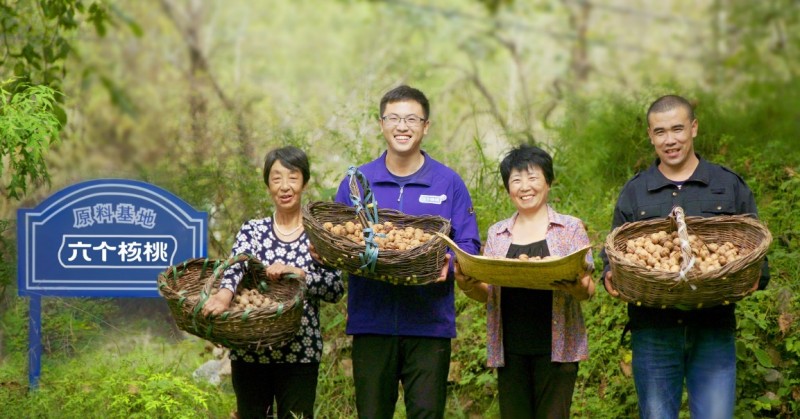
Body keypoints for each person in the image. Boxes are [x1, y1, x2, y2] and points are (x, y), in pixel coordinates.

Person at [600, 95, 770, 419]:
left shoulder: (726, 184)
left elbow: (756, 255)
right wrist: (611, 276)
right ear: (650, 136)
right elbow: (613, 256)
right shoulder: (635, 192)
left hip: (714, 328)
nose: (670, 140)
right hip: (653, 331)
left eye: (678, 129)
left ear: (693, 128)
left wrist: (752, 277)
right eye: (660, 132)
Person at [333, 85, 481, 419]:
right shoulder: (358, 183)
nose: (403, 126)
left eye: (412, 119)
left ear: (426, 126)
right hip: (372, 322)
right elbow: (337, 237)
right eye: (395, 118)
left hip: (429, 325)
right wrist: (327, 253)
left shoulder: (448, 183)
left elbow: (469, 244)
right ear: (381, 124)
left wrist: (452, 263)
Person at [202, 146, 344, 419]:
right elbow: (237, 265)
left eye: (292, 177)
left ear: (304, 181)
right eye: (276, 178)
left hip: (300, 353)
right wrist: (223, 296)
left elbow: (335, 287)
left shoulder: (319, 235)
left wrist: (301, 275)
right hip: (250, 354)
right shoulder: (253, 230)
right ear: (268, 184)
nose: (285, 186)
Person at [453, 144, 595, 419]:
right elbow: (488, 293)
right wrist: (467, 283)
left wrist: (577, 287)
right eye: (516, 180)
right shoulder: (498, 233)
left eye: (532, 178)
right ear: (508, 188)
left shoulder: (570, 228)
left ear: (548, 182)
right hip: (511, 350)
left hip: (558, 350)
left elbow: (588, 291)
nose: (524, 186)